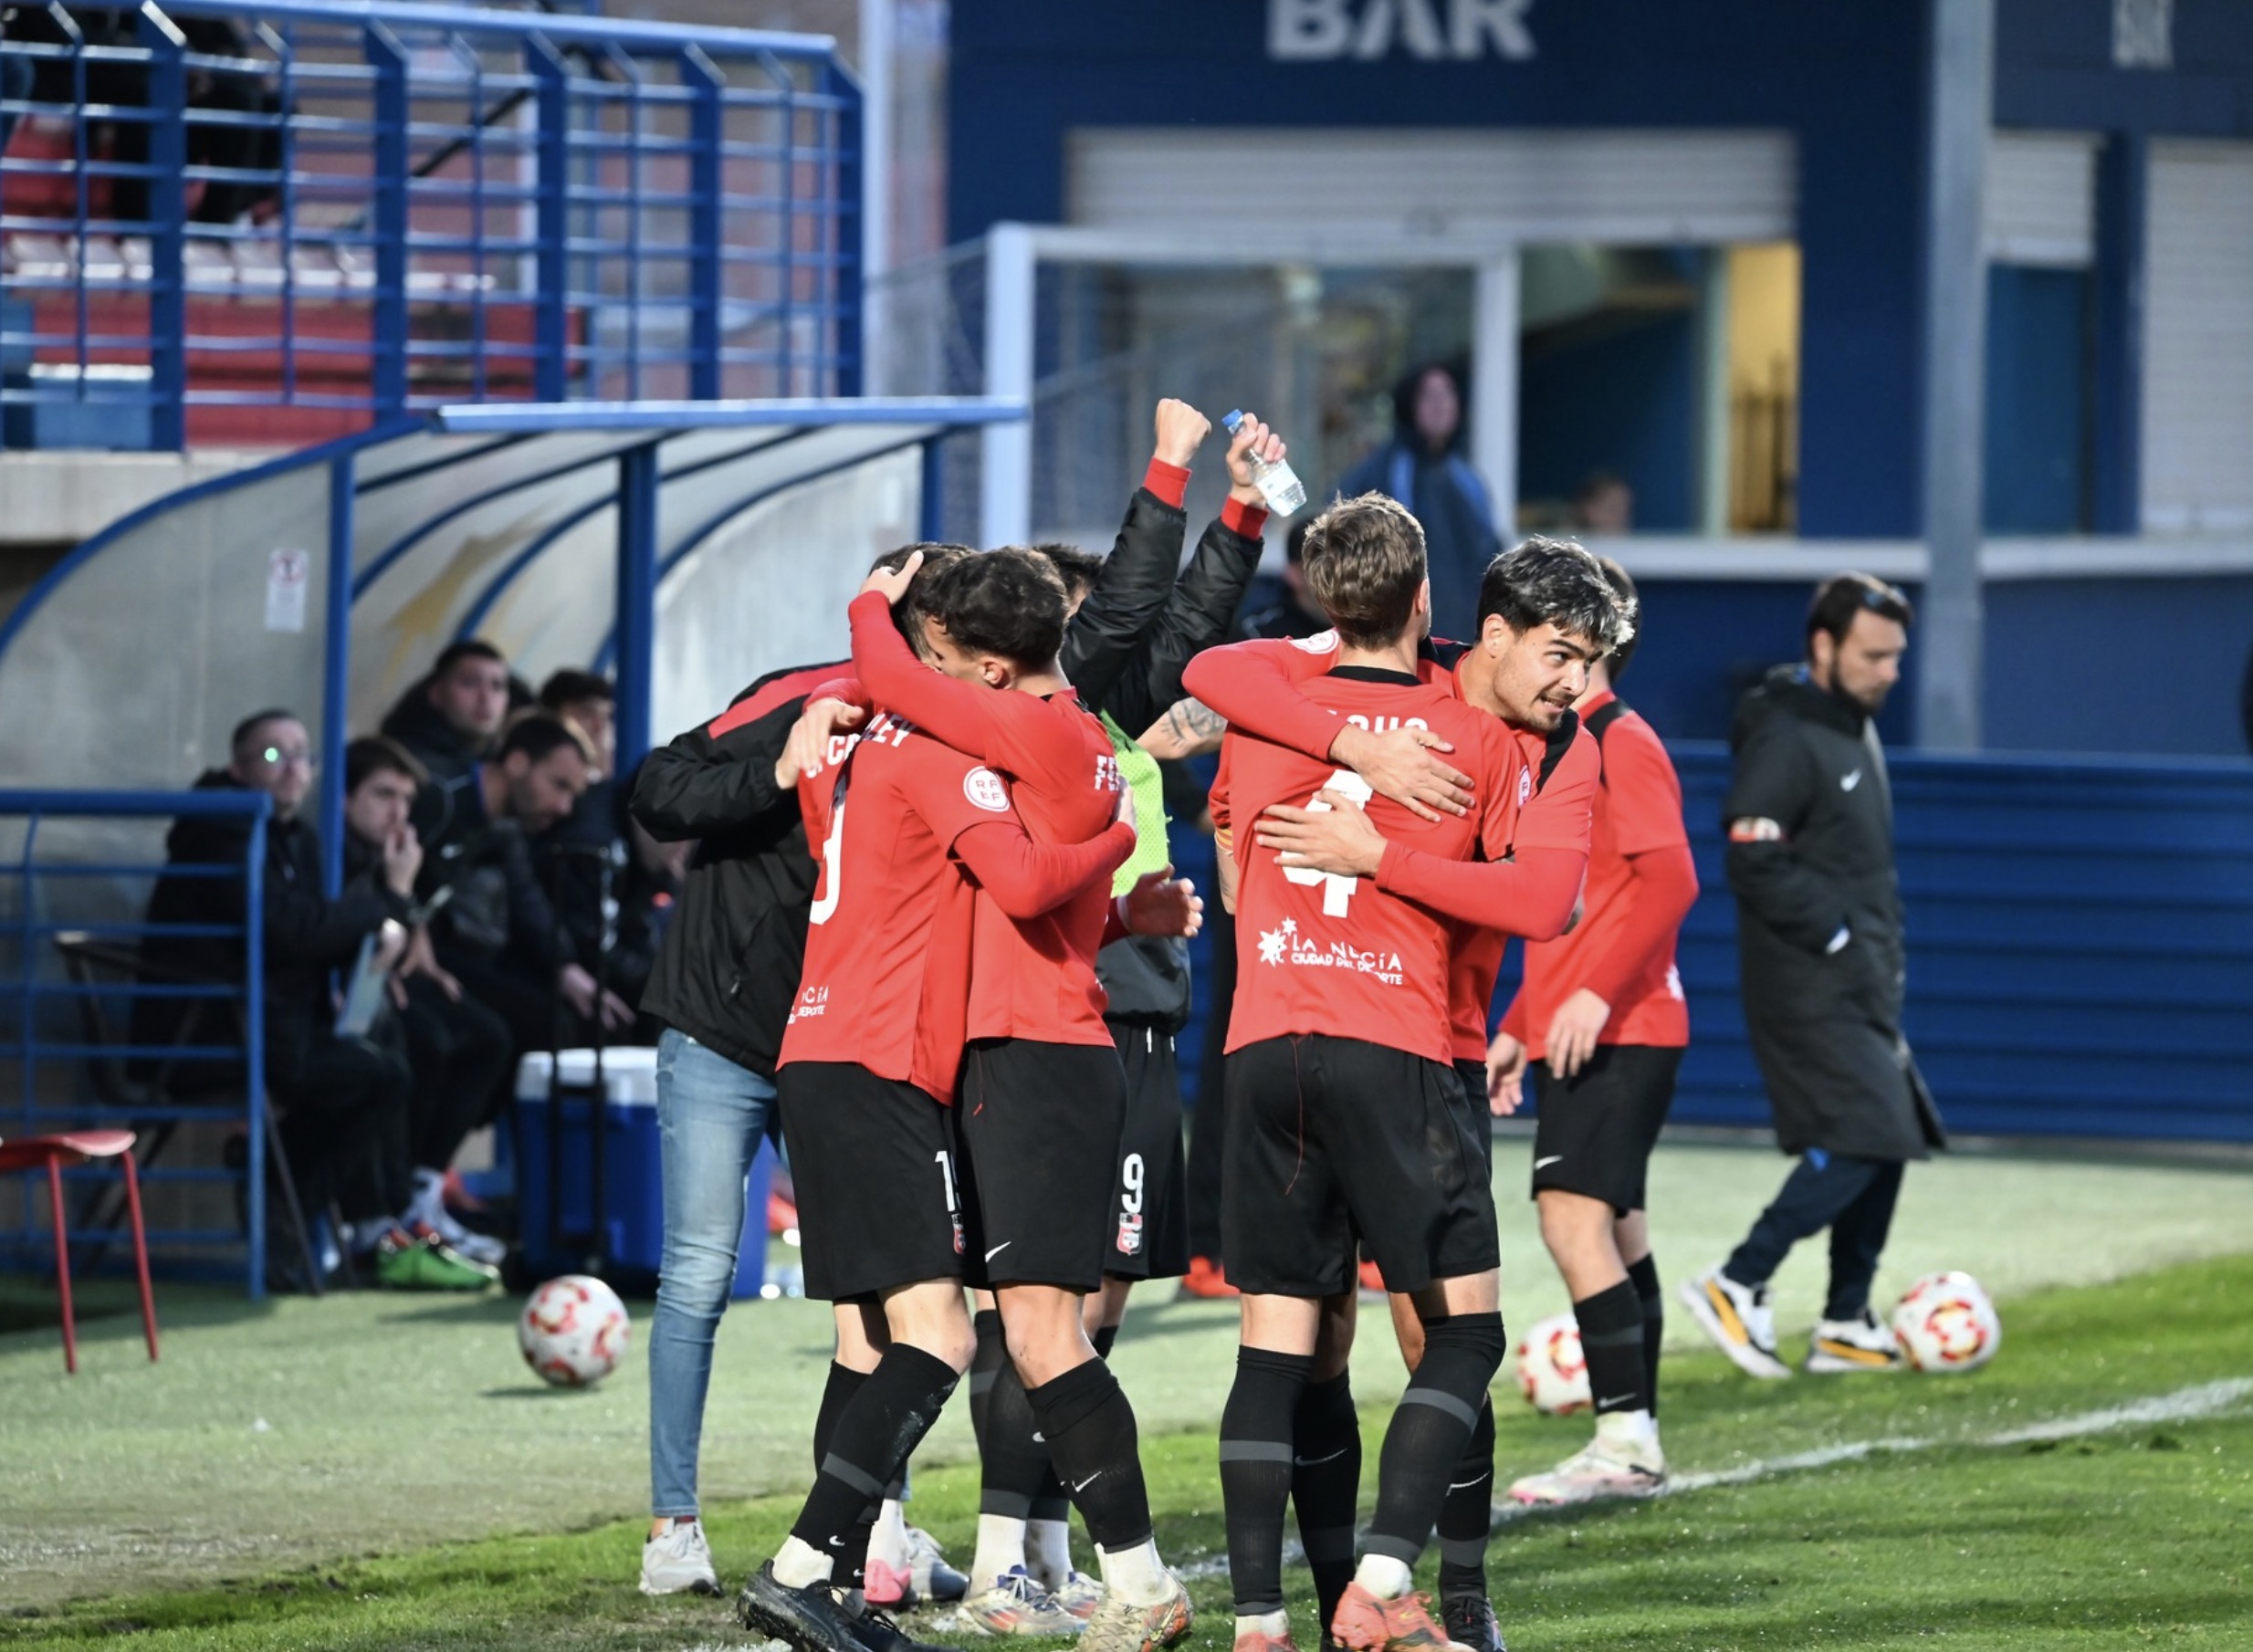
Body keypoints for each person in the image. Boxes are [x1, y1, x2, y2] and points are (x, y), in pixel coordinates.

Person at [1177, 533, 1620, 1652]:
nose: (1577, 685)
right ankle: (1364, 1592)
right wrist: (1357, 759)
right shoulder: (1420, 704)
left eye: (1592, 662)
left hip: (1371, 1044)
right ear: (1492, 634)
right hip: (1389, 1044)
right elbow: (1216, 679)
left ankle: (1444, 1597)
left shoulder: (1558, 749)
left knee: (1388, 1338)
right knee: (1365, 1339)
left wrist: (1372, 852)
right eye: (1562, 656)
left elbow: (1542, 902)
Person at [734, 551, 1153, 1652]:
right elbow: (1020, 879)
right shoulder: (939, 748)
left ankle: (832, 1582)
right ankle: (802, 1566)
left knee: (870, 1340)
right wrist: (1115, 840)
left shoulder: (853, 741)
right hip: (878, 1059)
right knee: (941, 1335)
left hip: (822, 1045)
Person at [947, 405, 1268, 1629]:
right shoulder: (1037, 717)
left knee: (1093, 1305)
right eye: (1085, 618)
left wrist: (1240, 510)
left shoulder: (1106, 716)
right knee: (1039, 1308)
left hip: (1138, 1018)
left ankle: (1036, 1547)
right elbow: (1143, 607)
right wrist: (1170, 470)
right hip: (1067, 1018)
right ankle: (1001, 1556)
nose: (1112, 634)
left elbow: (1181, 624)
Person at [1682, 573, 1946, 1379]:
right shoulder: (1787, 732)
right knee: (1869, 1134)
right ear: (1824, 646)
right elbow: (1752, 853)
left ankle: (1844, 1320)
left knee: (1889, 1133)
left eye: (1895, 656)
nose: (1888, 672)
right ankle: (1738, 1280)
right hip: (1808, 982)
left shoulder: (1851, 726)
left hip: (1860, 978)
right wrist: (1836, 937)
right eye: (1872, 656)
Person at [136, 711, 491, 1290]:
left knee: (388, 1066)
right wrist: (391, 900)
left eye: (303, 755)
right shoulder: (220, 830)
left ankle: (323, 1209)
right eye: (273, 755)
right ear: (238, 768)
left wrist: (380, 933)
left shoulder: (293, 836)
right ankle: (320, 1210)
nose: (292, 769)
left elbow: (312, 929)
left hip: (269, 1023)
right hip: (208, 1030)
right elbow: (289, 931)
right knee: (379, 1070)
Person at [1484, 558, 1701, 1504]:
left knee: (1570, 1218)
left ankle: (1623, 1440)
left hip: (1622, 1026)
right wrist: (1520, 1023)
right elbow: (1579, 908)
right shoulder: (1570, 744)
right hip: (1592, 1024)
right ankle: (1633, 1436)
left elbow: (1672, 881)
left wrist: (1595, 999)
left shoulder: (1619, 739)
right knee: (1615, 1226)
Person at [339, 737, 514, 1270]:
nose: (398, 813)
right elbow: (347, 934)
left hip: (377, 986)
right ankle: (380, 1213)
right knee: (424, 1044)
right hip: (335, 1003)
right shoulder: (330, 848)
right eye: (383, 795)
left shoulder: (393, 849)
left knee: (489, 1037)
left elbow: (399, 924)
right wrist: (398, 895)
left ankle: (423, 1191)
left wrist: (410, 919)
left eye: (405, 800)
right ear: (343, 798)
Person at [413, 713, 630, 1066]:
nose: (564, 808)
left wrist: (565, 966)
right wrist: (410, 924)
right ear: (516, 763)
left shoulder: (506, 828)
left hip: (436, 950)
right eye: (559, 785)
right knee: (488, 1037)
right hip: (398, 948)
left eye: (573, 795)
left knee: (557, 1019)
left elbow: (527, 898)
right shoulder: (441, 796)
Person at [1339, 362, 1499, 642]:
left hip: (1466, 633)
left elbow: (1488, 550)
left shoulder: (1465, 477)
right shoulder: (1384, 471)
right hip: (1402, 635)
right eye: (1429, 395)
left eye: (1447, 393)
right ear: (1408, 404)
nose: (1440, 404)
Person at [382, 640, 512, 788]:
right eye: (470, 683)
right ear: (436, 693)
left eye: (497, 686)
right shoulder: (403, 765)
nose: (486, 698)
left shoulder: (502, 764)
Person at [1571, 471, 1634, 536]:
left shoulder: (1636, 540)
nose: (1622, 517)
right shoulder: (1569, 539)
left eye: (1627, 509)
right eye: (1613, 509)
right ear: (1590, 510)